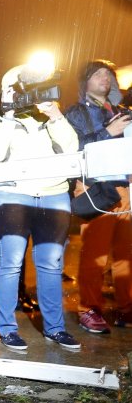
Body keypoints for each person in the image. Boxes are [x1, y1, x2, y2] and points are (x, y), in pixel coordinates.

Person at [0, 65, 82, 351]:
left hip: (54, 196)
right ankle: (8, 330)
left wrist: (56, 116)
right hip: (12, 196)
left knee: (51, 265)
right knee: (11, 264)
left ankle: (55, 329)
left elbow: (71, 149)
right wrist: (8, 112)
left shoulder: (51, 118)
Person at [64, 59, 132, 333]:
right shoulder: (76, 112)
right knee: (96, 256)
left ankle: (127, 309)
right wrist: (108, 132)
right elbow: (72, 150)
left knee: (126, 256)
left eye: (108, 74)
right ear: (85, 82)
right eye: (98, 73)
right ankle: (89, 309)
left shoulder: (120, 110)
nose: (105, 78)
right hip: (95, 189)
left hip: (124, 188)